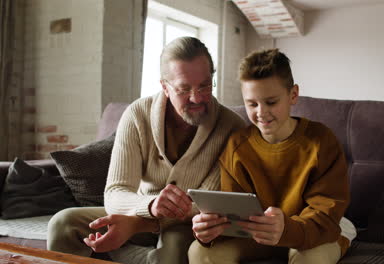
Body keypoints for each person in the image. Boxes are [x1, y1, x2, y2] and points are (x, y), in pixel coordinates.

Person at [47, 37, 245, 264]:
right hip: (140, 210)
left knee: (175, 246)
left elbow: (209, 206)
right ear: (164, 86)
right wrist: (149, 206)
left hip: (185, 224)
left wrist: (138, 224)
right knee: (63, 223)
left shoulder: (232, 127)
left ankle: (132, 253)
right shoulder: (137, 114)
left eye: (205, 85)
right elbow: (116, 191)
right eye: (183, 89)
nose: (197, 98)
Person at [189, 48, 356, 264]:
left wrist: (286, 229)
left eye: (271, 102)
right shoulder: (237, 146)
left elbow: (326, 215)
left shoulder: (321, 141)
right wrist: (208, 231)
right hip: (257, 236)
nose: (261, 113)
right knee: (199, 252)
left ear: (293, 95)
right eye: (252, 104)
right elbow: (232, 216)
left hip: (310, 234)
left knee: (311, 259)